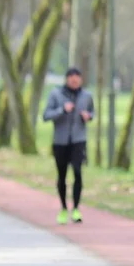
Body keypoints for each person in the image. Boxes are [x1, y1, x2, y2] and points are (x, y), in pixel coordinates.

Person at [43, 67, 94, 225]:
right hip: (60, 141)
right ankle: (64, 208)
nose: (74, 80)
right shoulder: (56, 94)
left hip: (79, 140)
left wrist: (88, 116)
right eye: (71, 77)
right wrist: (62, 110)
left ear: (81, 80)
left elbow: (92, 112)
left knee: (78, 172)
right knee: (62, 175)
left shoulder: (87, 96)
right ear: (67, 79)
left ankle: (77, 208)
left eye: (77, 77)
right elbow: (46, 115)